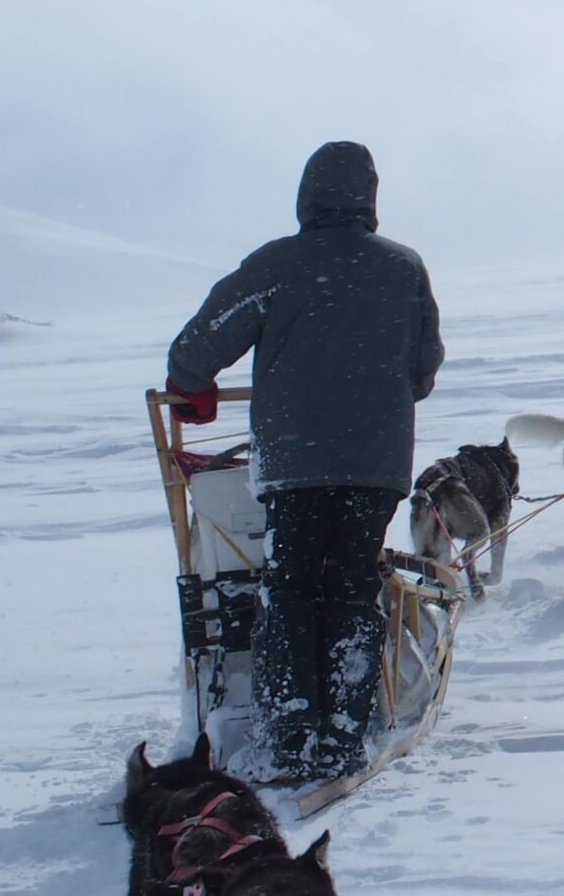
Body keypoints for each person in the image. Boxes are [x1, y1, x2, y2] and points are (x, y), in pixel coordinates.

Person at [165, 141, 444, 783]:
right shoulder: (403, 269)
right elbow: (423, 367)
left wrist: (193, 387)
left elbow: (199, 344)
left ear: (307, 195)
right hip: (374, 464)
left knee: (290, 589)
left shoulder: (277, 266)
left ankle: (290, 735)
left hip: (294, 465)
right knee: (351, 585)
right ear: (369, 196)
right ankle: (344, 732)